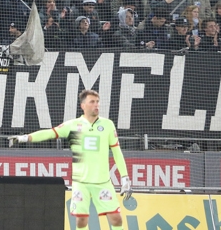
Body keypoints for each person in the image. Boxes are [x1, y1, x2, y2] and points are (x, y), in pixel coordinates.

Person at [7, 89, 131, 230]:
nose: (96, 105)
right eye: (92, 102)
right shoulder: (73, 125)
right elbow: (50, 133)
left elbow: (117, 152)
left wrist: (125, 177)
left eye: (97, 102)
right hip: (81, 182)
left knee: (116, 219)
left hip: (102, 182)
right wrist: (25, 138)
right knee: (81, 221)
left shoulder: (108, 125)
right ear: (83, 106)